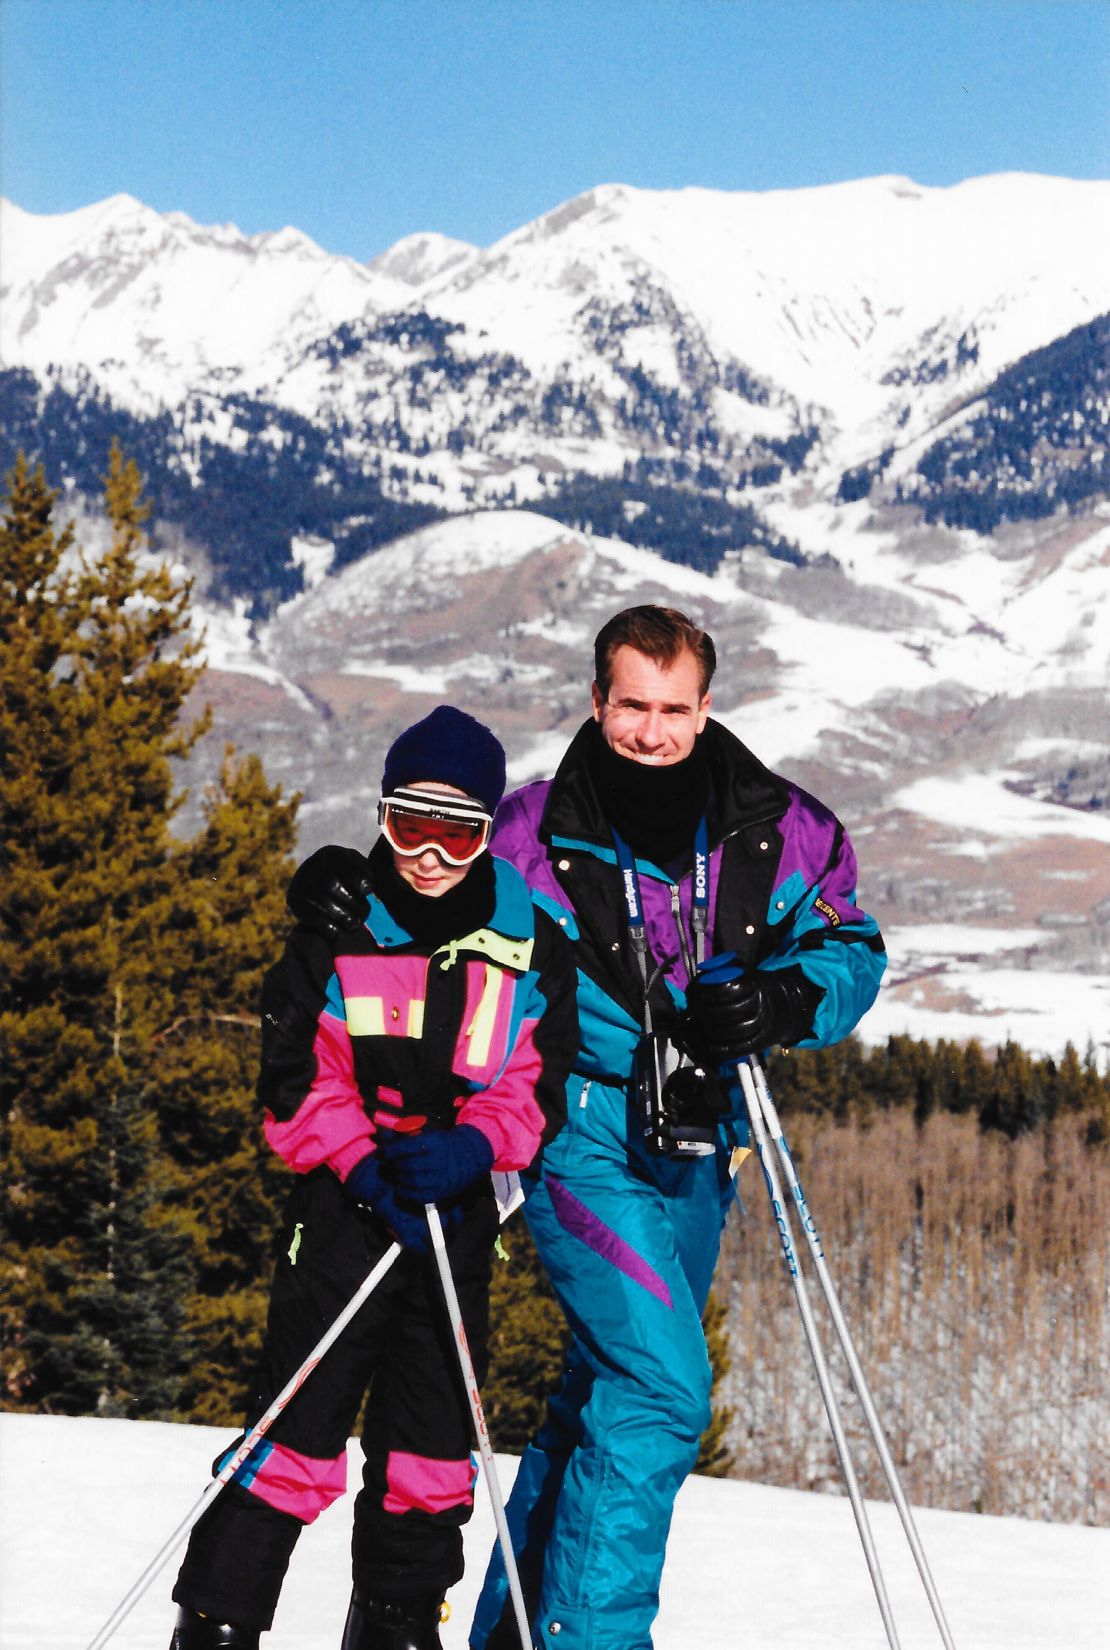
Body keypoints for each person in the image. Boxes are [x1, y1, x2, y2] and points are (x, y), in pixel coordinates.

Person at [290, 608, 887, 1650]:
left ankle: (514, 1631)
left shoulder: (778, 825)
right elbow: (421, 896)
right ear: (596, 701)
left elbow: (851, 944)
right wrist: (334, 888)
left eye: (671, 710)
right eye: (630, 707)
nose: (650, 732)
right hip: (575, 1122)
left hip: (699, 1132)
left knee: (599, 1397)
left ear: (706, 709)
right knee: (661, 1380)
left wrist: (787, 1003)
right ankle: (591, 1637)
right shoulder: (525, 832)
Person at [169, 705, 578, 1650]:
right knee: (293, 1438)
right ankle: (218, 1622)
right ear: (382, 813)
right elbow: (295, 1081)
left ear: (488, 832)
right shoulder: (342, 925)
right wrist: (361, 1164)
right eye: (409, 825)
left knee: (432, 1450)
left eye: (460, 831)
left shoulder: (527, 941)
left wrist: (476, 1150)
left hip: (455, 1213)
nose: (431, 853)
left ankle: (396, 1622)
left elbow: (537, 1080)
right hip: (348, 1213)